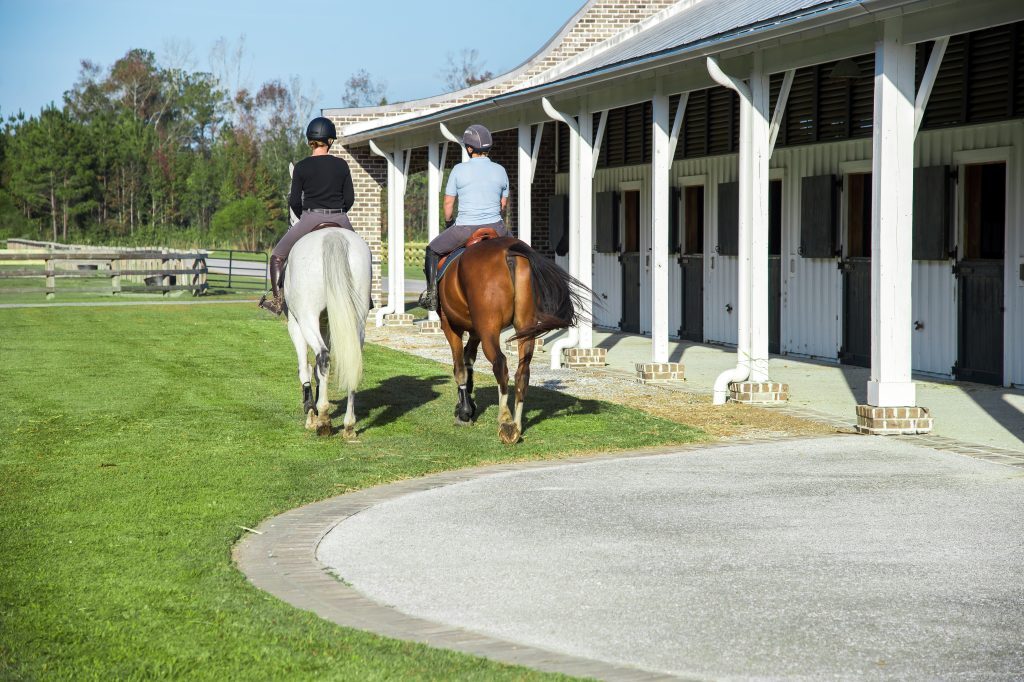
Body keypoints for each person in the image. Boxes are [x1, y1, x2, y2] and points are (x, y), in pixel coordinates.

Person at [258, 116, 355, 315]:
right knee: (363, 253)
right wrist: (338, 211)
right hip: (340, 218)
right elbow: (350, 198)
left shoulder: (301, 167)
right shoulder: (342, 165)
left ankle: (277, 303)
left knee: (276, 255)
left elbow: (294, 201)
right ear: (330, 141)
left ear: (309, 140)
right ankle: (365, 297)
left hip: (310, 218)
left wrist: (306, 215)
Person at [419, 124, 509, 312]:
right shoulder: (500, 170)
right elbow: (503, 204)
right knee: (521, 252)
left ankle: (432, 296)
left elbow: (448, 204)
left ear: (469, 149)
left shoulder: (459, 170)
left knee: (432, 251)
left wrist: (449, 222)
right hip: (497, 227)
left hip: (465, 228)